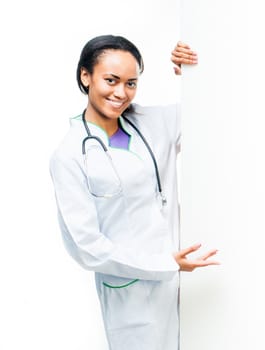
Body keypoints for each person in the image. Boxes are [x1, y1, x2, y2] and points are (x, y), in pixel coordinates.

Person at [49, 34, 219, 350]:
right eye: (111, 80)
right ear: (85, 76)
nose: (121, 93)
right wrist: (165, 263)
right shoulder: (70, 155)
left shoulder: (152, 122)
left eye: (131, 83)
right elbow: (87, 247)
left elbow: (212, 114)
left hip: (185, 281)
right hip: (132, 295)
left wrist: (190, 76)